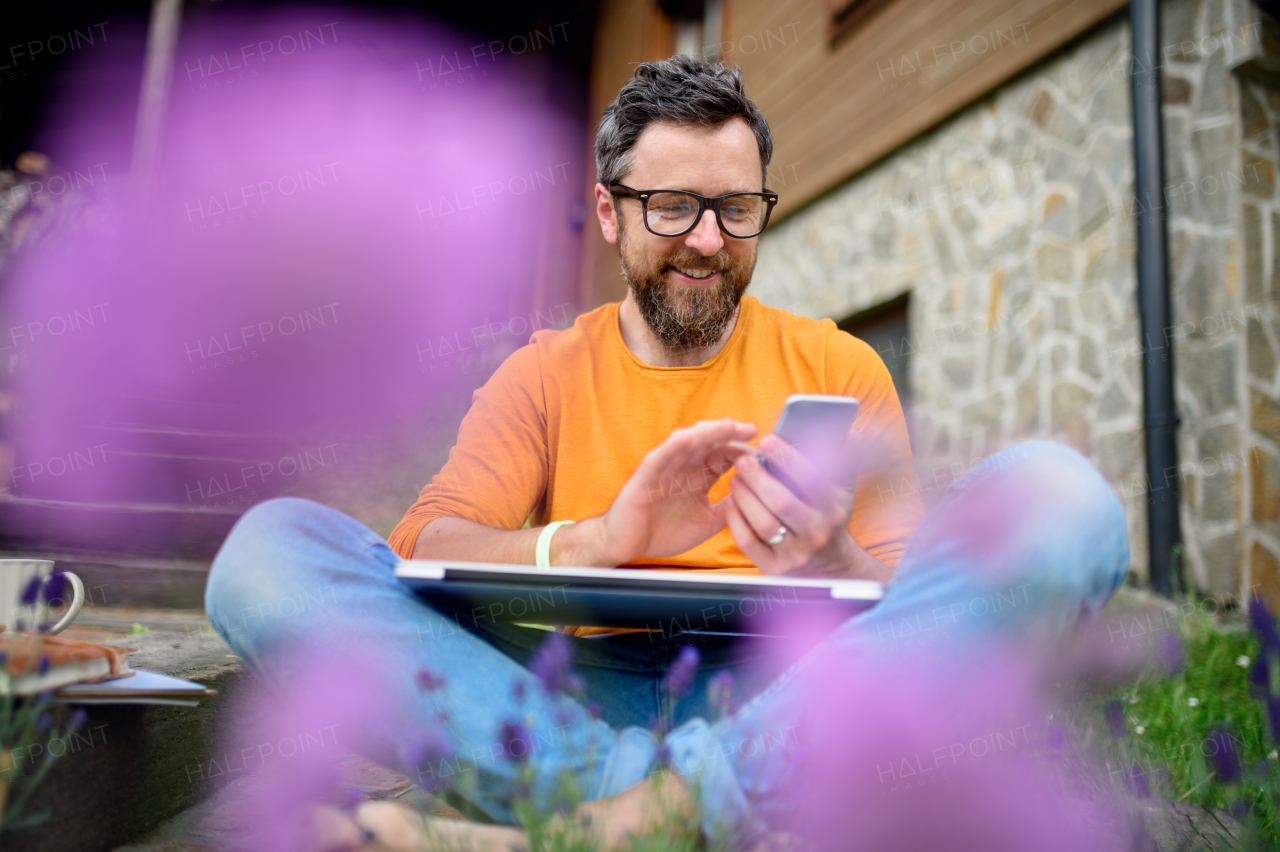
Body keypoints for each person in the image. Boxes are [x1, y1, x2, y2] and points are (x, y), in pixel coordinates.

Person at [205, 55, 1129, 850]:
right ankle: (691, 807)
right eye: (675, 206)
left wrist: (830, 558)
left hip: (788, 697)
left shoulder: (839, 365)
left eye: (736, 209)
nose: (708, 239)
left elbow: (913, 606)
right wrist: (592, 542)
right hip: (560, 699)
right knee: (265, 555)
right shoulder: (543, 375)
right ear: (609, 214)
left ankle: (606, 823)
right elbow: (426, 542)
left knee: (1061, 498)